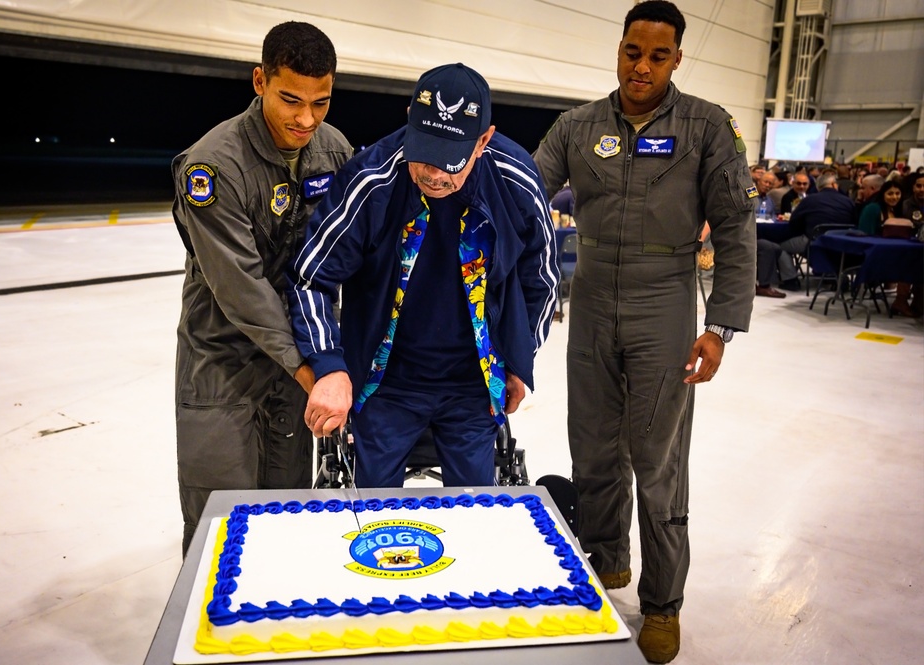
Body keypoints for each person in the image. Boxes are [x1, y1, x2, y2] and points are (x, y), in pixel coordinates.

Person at [531, 2, 755, 662]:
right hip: (593, 298)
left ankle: (662, 603)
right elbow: (524, 188)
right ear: (619, 48)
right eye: (633, 51)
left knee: (656, 458)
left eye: (658, 56)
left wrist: (719, 327)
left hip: (665, 302)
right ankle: (606, 560)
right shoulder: (576, 126)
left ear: (676, 59)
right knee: (593, 445)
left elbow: (737, 229)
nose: (642, 66)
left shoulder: (706, 126)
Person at [288, 63, 558, 490]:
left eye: (450, 162)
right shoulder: (370, 179)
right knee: (374, 513)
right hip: (386, 382)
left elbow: (540, 280)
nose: (434, 174)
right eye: (425, 154)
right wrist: (329, 367)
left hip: (473, 381)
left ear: (483, 141)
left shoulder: (516, 181)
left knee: (474, 507)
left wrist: (519, 360)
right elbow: (310, 279)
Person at [170, 21, 353, 556]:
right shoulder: (213, 167)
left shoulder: (334, 151)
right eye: (291, 100)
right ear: (259, 81)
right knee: (219, 527)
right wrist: (315, 370)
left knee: (288, 516)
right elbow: (241, 288)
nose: (306, 119)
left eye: (321, 102)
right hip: (223, 364)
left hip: (293, 371)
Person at [772, 171, 856, 291]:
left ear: (817, 187)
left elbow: (793, 223)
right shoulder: (848, 201)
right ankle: (834, 275)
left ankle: (790, 280)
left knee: (779, 246)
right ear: (834, 185)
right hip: (842, 244)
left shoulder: (810, 200)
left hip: (814, 241)